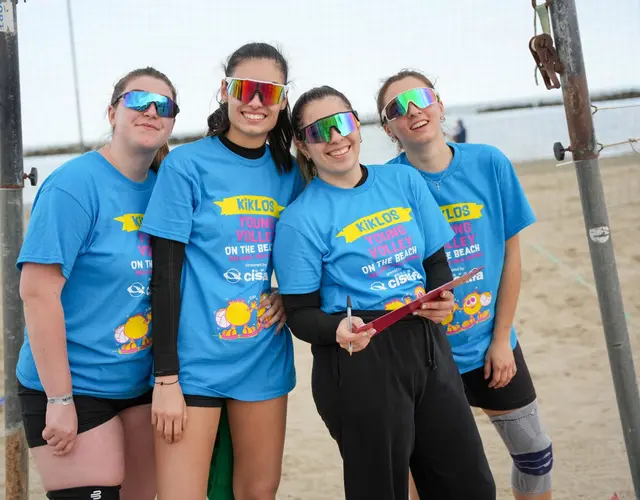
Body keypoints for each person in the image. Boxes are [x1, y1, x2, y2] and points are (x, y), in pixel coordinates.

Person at [272, 85, 496, 500]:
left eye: (342, 123)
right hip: (359, 361)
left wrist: (440, 297)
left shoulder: (403, 180)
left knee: (470, 486)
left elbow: (434, 260)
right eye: (319, 131)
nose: (336, 138)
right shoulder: (298, 221)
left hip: (428, 348)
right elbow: (301, 315)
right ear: (303, 146)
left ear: (357, 125)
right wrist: (338, 329)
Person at [377, 69, 553, 500]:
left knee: (535, 455)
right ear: (388, 128)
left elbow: (510, 256)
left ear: (438, 103)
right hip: (426, 358)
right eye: (396, 108)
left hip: (490, 344)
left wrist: (501, 339)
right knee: (427, 476)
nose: (412, 111)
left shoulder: (489, 162)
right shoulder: (387, 184)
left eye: (419, 98)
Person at [139, 42, 304, 500]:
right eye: (244, 88)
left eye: (267, 92)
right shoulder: (187, 165)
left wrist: (290, 295)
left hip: (263, 356)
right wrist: (166, 378)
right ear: (225, 91)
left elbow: (314, 252)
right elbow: (164, 274)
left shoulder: (290, 172)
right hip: (194, 365)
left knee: (258, 492)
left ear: (283, 100)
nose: (254, 102)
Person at [16, 67, 179, 500]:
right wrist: (60, 399)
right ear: (112, 112)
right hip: (72, 385)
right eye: (137, 101)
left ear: (172, 122)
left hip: (141, 384)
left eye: (163, 106)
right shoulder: (74, 185)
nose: (150, 111)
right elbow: (37, 292)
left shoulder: (167, 189)